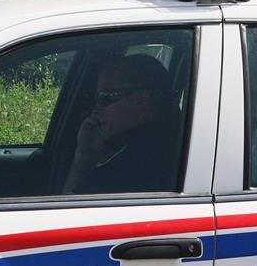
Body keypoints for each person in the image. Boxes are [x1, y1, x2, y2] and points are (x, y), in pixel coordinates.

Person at [63, 54, 182, 194]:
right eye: (96, 99)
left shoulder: (130, 170)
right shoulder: (179, 143)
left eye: (106, 97)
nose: (95, 109)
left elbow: (65, 213)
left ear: (141, 99)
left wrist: (83, 158)